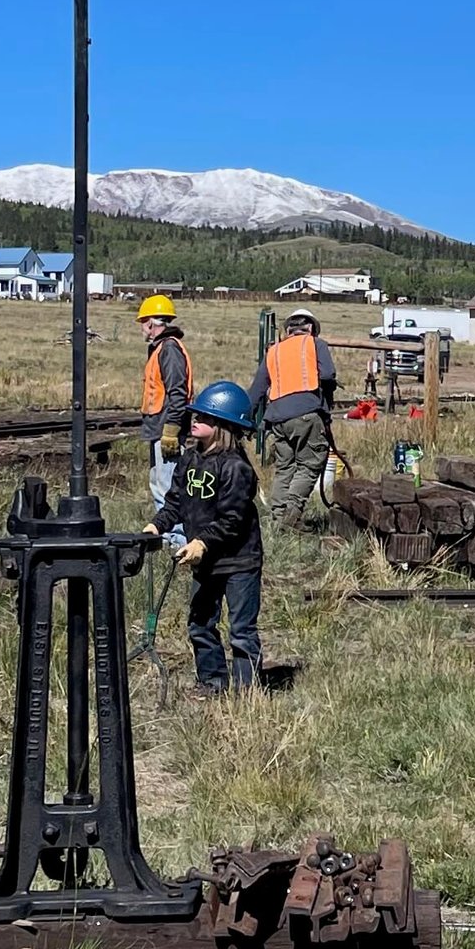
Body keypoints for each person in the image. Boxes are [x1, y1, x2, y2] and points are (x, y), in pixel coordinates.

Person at [173, 377, 265, 692]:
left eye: (204, 417)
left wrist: (201, 542)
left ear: (223, 425)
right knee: (200, 624)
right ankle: (212, 681)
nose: (196, 420)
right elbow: (175, 501)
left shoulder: (236, 468)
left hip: (239, 562)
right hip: (206, 560)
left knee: (241, 631)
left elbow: (233, 520)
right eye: (196, 415)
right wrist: (155, 525)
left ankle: (246, 692)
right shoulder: (190, 458)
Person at [250, 311, 338, 534]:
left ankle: (278, 518)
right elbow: (328, 374)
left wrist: (245, 419)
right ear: (311, 328)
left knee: (285, 467)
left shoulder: (274, 351)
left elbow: (258, 388)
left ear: (288, 330)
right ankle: (292, 513)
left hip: (277, 419)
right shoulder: (315, 344)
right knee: (309, 465)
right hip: (306, 413)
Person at [138, 292, 192, 525]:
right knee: (160, 481)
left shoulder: (168, 350)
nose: (141, 328)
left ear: (151, 323)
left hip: (166, 428)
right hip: (159, 426)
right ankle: (171, 534)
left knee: (168, 486)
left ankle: (176, 539)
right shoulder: (162, 348)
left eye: (142, 323)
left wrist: (171, 429)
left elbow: (177, 392)